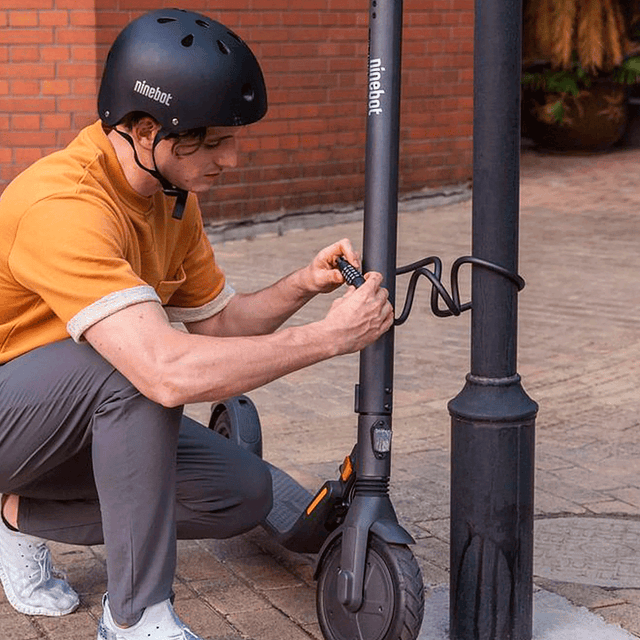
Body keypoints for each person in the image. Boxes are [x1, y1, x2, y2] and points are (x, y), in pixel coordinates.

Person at [0, 8, 393, 640]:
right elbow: (165, 370)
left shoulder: (170, 199)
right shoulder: (63, 205)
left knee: (241, 492)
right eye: (212, 142)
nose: (231, 159)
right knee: (138, 373)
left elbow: (219, 325)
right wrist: (329, 339)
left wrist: (302, 286)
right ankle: (135, 618)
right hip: (11, 420)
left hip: (65, 422)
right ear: (147, 129)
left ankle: (19, 515)